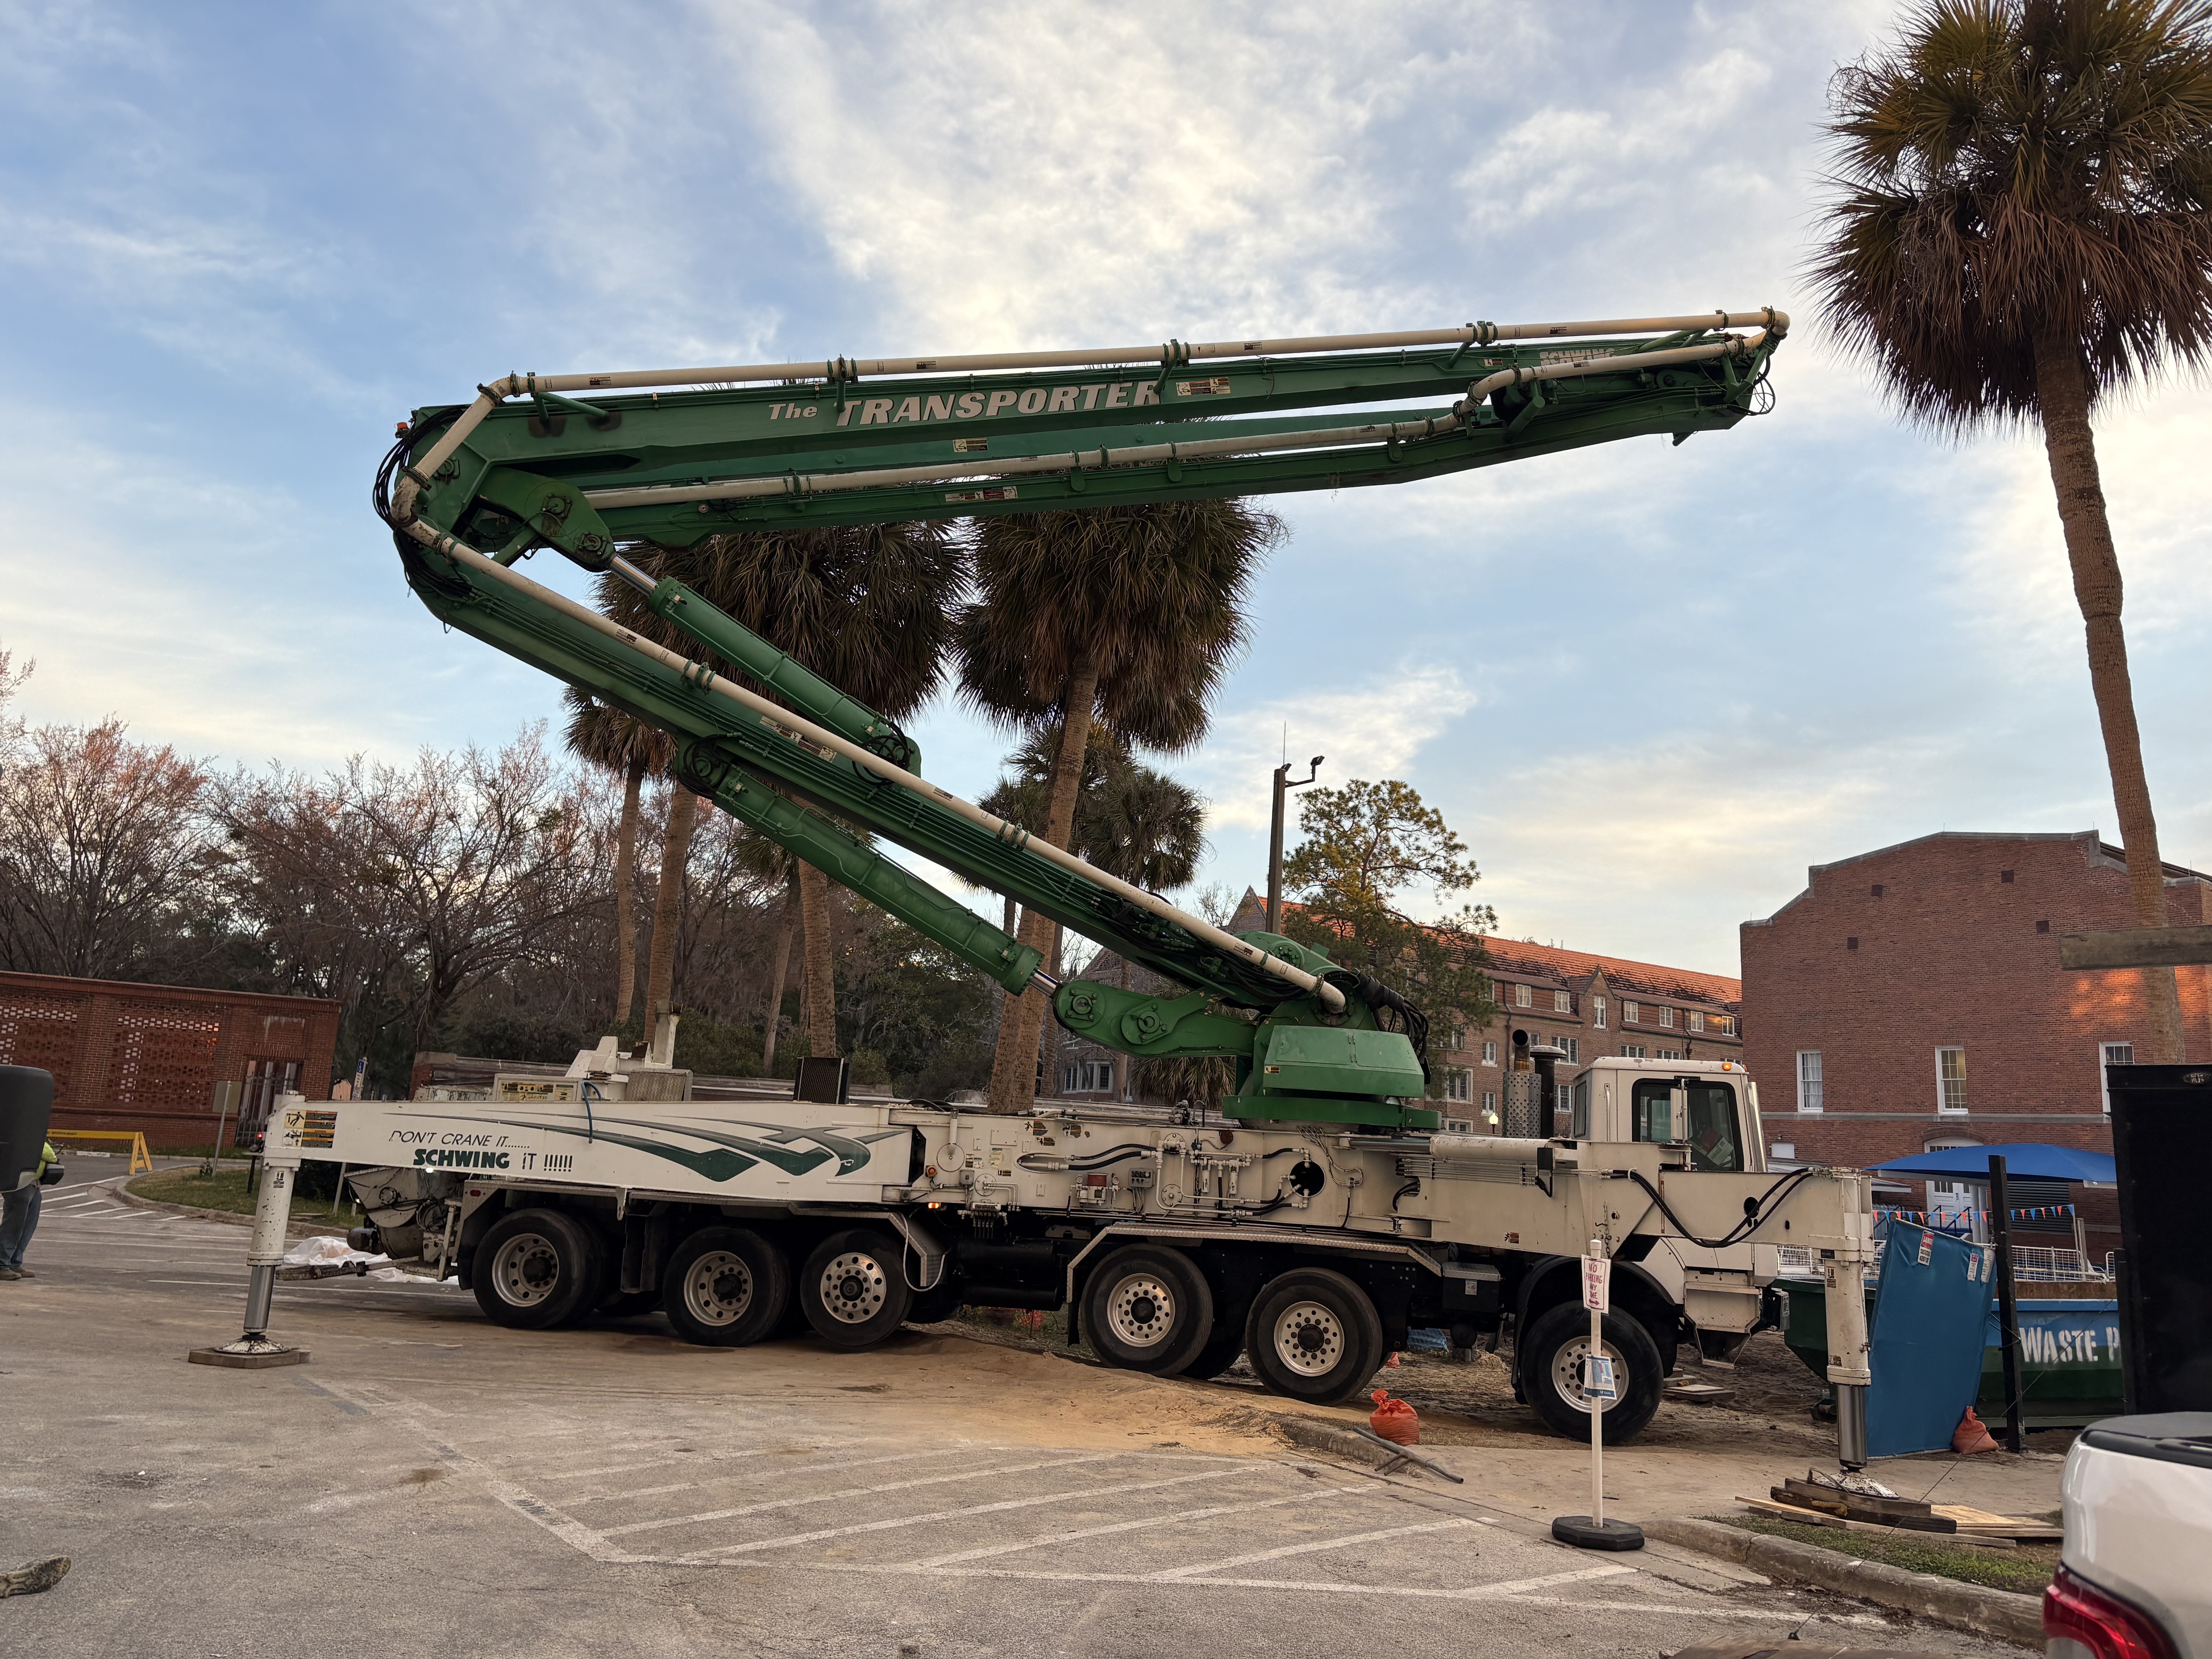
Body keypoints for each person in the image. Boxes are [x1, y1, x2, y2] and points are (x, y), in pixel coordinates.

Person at [0, 1137, 53, 1280]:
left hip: (34, 1185)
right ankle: (2, 1265)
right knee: (13, 1226)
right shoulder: (26, 1135)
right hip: (20, 1185)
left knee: (28, 1226)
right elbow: (50, 1155)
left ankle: (14, 1263)